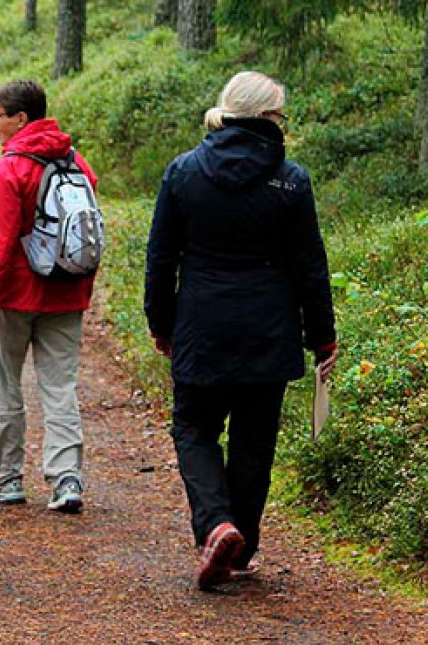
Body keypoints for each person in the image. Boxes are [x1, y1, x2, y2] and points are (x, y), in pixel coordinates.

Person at [142, 70, 337, 589]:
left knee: (194, 429)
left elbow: (160, 260)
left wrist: (162, 325)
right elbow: (309, 266)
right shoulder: (291, 180)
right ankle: (240, 545)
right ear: (268, 118)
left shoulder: (183, 172)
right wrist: (323, 336)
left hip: (201, 326)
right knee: (254, 442)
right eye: (280, 115)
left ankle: (216, 525)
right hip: (268, 330)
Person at [0, 80, 99, 513]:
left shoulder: (11, 168)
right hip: (66, 293)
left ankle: (5, 479)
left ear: (20, 118)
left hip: (16, 295)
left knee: (6, 385)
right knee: (60, 386)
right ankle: (67, 480)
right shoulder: (76, 162)